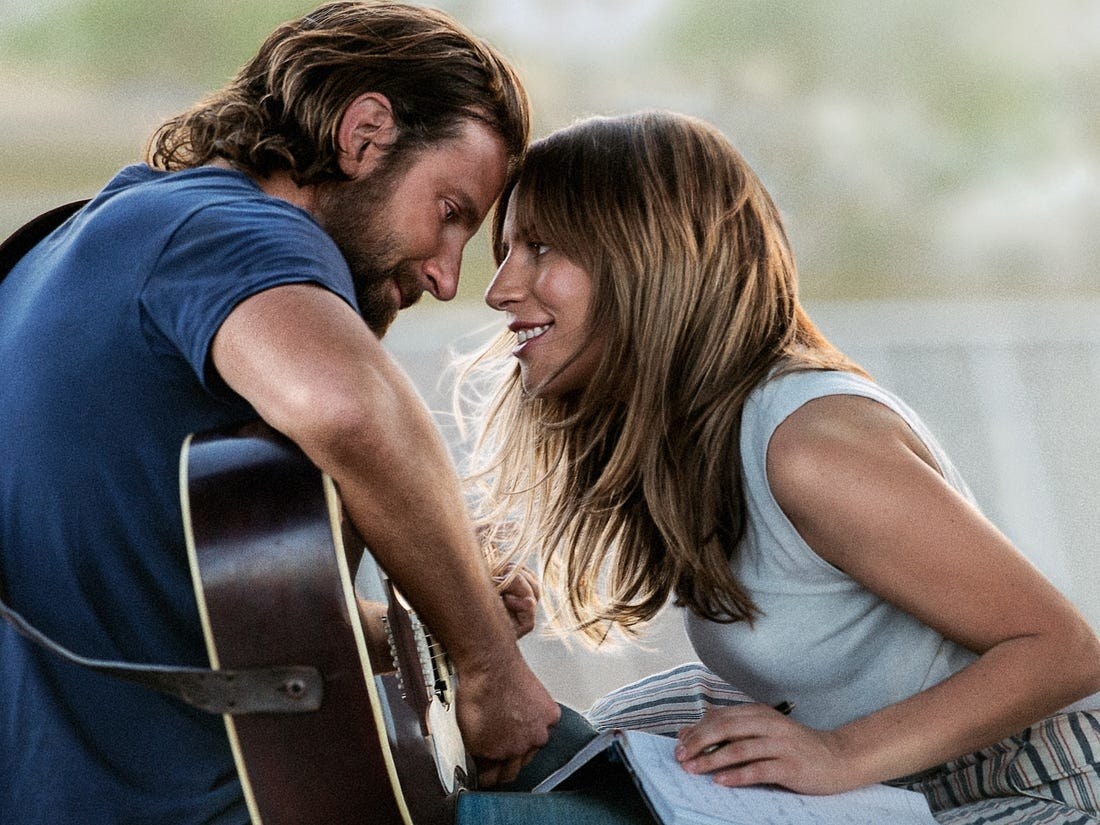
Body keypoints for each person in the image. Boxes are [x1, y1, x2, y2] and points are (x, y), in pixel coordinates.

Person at [0, 3, 561, 823]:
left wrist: (438, 613)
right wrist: (489, 666)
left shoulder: (86, 241)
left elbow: (186, 622)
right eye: (450, 213)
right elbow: (350, 408)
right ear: (364, 134)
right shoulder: (235, 231)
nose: (447, 276)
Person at [461, 110, 1100, 822]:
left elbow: (1064, 648)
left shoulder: (809, 444)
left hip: (1041, 777)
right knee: (573, 750)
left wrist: (841, 754)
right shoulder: (692, 435)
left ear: (648, 260)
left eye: (541, 248)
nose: (500, 289)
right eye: (508, 251)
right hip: (900, 772)